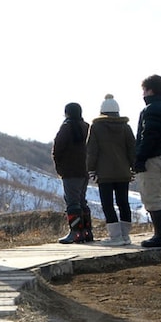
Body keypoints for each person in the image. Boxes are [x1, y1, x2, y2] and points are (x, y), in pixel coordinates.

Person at [86, 94, 136, 246]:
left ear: (102, 111)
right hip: (123, 172)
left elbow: (92, 150)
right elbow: (132, 149)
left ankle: (115, 236)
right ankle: (125, 235)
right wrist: (134, 168)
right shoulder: (125, 127)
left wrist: (91, 169)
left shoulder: (96, 127)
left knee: (107, 204)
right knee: (124, 203)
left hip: (104, 173)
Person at [135, 74, 161, 247]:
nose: (142, 94)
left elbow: (149, 136)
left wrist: (140, 157)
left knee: (152, 197)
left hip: (152, 159)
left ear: (150, 90)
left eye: (144, 90)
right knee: (160, 197)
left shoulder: (152, 109)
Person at [52, 102, 93, 243]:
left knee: (72, 203)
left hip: (70, 171)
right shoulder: (87, 127)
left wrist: (59, 167)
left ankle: (75, 232)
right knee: (82, 201)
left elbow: (57, 149)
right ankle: (87, 231)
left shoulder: (66, 127)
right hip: (85, 170)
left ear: (67, 113)